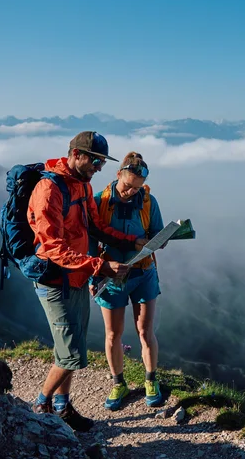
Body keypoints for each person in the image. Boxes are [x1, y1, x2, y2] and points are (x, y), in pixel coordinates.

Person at [27, 131, 142, 431]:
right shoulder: (49, 189)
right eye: (95, 160)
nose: (99, 168)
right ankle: (40, 405)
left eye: (102, 162)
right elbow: (51, 247)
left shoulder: (81, 186)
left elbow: (97, 227)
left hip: (77, 277)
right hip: (54, 281)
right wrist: (100, 265)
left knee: (72, 344)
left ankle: (63, 407)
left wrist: (134, 241)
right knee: (71, 353)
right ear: (76, 154)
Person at [88, 151, 167, 410]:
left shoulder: (148, 201)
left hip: (143, 272)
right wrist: (93, 273)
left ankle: (150, 380)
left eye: (137, 188)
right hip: (110, 276)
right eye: (128, 185)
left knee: (145, 331)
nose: (131, 192)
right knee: (113, 334)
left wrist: (161, 240)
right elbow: (88, 242)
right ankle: (118, 383)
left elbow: (157, 232)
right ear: (117, 174)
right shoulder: (99, 201)